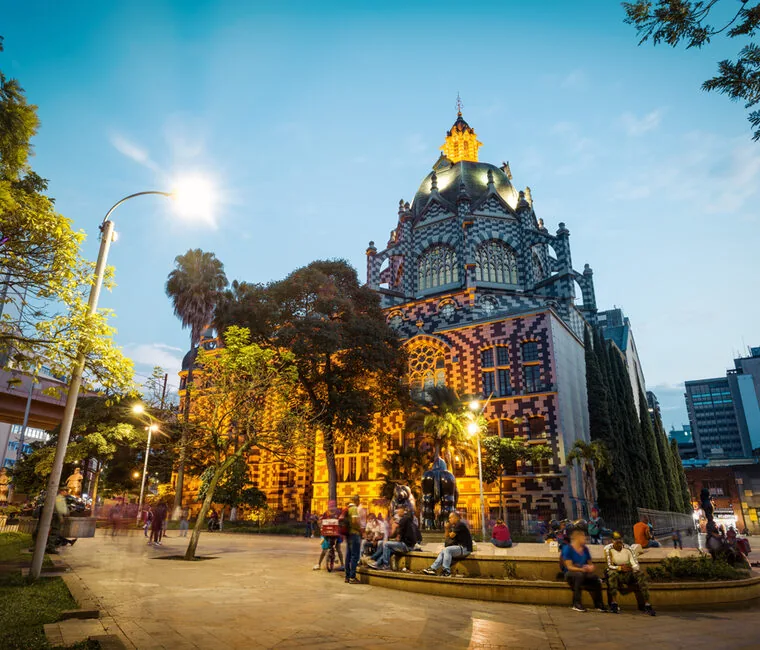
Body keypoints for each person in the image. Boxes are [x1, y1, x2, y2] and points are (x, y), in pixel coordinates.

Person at [604, 532, 656, 616]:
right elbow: (609, 565)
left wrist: (632, 568)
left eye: (620, 539)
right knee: (612, 574)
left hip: (628, 572)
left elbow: (635, 563)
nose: (618, 541)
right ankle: (614, 603)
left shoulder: (628, 548)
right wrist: (620, 568)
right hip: (616, 572)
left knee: (640, 574)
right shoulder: (608, 549)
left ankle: (647, 604)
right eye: (616, 539)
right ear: (612, 540)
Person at [561, 528, 606, 612]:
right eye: (583, 537)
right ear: (577, 538)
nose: (585, 539)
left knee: (595, 579)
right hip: (570, 573)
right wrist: (581, 569)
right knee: (579, 575)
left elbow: (590, 563)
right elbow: (569, 567)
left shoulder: (585, 549)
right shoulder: (568, 548)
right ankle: (576, 603)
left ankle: (599, 604)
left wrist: (590, 567)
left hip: (583, 572)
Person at [423, 511, 473, 577]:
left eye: (450, 518)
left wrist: (447, 528)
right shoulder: (455, 526)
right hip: (460, 548)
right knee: (444, 551)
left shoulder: (460, 524)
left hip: (465, 549)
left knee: (447, 550)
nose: (449, 520)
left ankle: (446, 571)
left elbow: (451, 536)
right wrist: (446, 528)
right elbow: (447, 537)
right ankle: (433, 568)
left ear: (456, 518)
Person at [369, 506, 416, 571]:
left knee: (386, 544)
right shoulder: (407, 519)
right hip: (409, 545)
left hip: (406, 546)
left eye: (398, 511)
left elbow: (398, 536)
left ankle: (385, 565)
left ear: (403, 511)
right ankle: (378, 563)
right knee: (388, 549)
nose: (397, 512)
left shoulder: (403, 520)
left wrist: (394, 534)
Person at [344, 495, 366, 584]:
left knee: (348, 555)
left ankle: (347, 576)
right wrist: (360, 530)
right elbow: (354, 521)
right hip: (354, 534)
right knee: (354, 556)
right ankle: (352, 577)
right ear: (357, 501)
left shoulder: (347, 508)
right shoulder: (354, 509)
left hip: (348, 534)